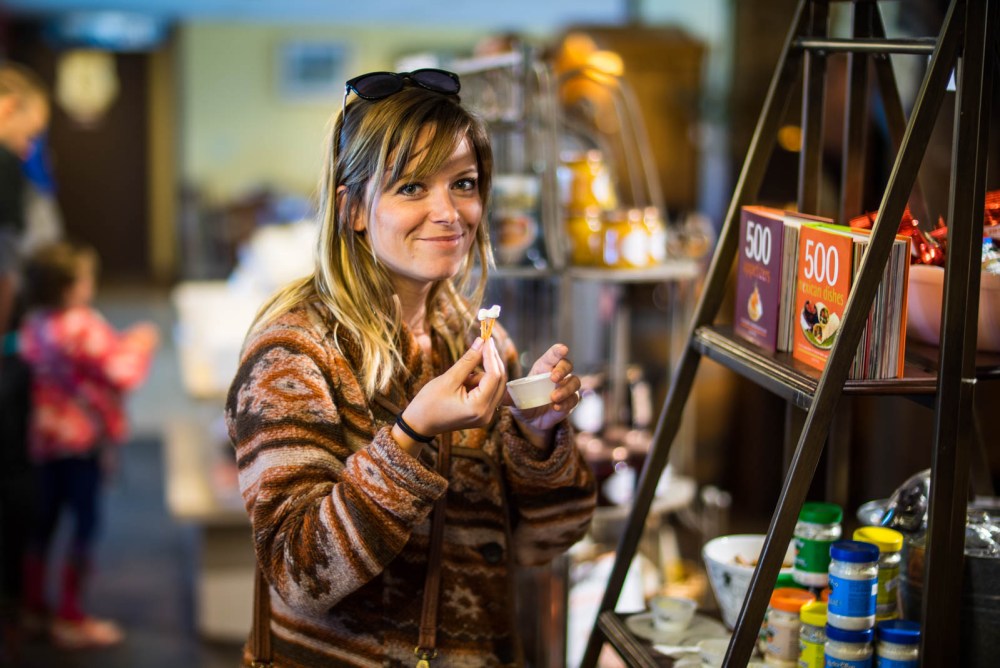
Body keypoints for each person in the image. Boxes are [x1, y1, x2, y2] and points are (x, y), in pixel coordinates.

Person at [225, 70, 596, 667]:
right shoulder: (294, 352)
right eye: (412, 186)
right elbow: (298, 574)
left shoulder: (480, 343)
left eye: (464, 183)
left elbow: (544, 542)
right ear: (353, 209)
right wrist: (411, 434)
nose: (448, 212)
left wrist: (538, 439)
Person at [18, 240, 159, 649]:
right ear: (69, 287)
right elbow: (120, 373)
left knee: (43, 524)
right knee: (84, 525)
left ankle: (32, 608)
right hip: (81, 441)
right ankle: (70, 616)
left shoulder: (35, 324)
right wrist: (141, 344)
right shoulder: (82, 325)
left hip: (44, 441)